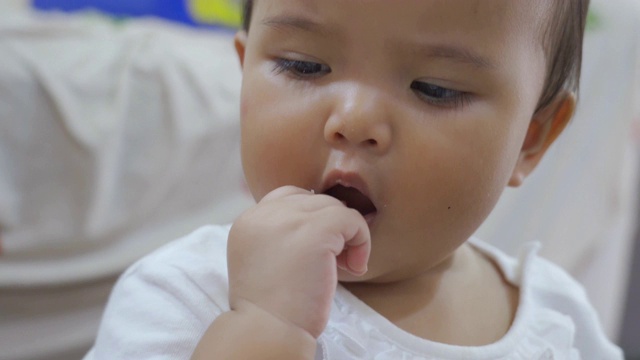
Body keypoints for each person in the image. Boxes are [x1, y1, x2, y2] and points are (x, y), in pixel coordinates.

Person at [86, 0, 623, 358]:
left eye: (433, 88)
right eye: (303, 66)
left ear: (530, 141)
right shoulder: (186, 294)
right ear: (244, 71)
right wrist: (266, 326)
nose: (355, 120)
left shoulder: (560, 319)